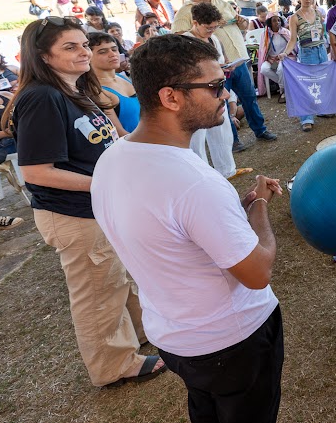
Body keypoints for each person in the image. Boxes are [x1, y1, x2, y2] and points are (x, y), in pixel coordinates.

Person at [91, 34, 284, 423]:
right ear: (171, 97)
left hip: (176, 338)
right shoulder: (191, 181)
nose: (225, 94)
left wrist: (236, 205)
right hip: (230, 341)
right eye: (214, 86)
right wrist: (260, 205)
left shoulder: (113, 159)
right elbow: (257, 272)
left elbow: (167, 230)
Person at [8, 16, 164, 388]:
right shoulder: (41, 97)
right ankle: (114, 365)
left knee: (118, 278)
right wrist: (104, 183)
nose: (82, 52)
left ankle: (139, 337)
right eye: (69, 47)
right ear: (43, 56)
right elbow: (36, 171)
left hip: (97, 207)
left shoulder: (73, 89)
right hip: (73, 214)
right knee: (97, 291)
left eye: (83, 45)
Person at [173, 0, 277, 151]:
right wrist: (200, 29)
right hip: (214, 68)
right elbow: (178, 38)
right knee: (220, 103)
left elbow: (244, 25)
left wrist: (238, 19)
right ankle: (233, 141)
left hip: (238, 60)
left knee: (249, 97)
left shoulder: (221, 3)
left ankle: (260, 130)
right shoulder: (186, 12)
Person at [182, 4, 243, 177]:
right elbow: (186, 71)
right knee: (198, 138)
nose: (212, 30)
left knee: (222, 131)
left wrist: (226, 66)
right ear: (195, 23)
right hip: (197, 95)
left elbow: (222, 58)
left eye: (215, 27)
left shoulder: (214, 39)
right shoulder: (185, 42)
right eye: (208, 27)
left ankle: (227, 170)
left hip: (217, 90)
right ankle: (202, 175)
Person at [282, 0, 330, 132]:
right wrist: (285, 53)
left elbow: (323, 34)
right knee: (306, 86)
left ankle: (321, 110)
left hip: (321, 51)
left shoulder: (318, 13)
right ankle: (306, 118)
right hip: (307, 53)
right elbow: (292, 40)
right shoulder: (294, 17)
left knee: (321, 82)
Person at [88, 32, 140, 133]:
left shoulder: (123, 77)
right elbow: (118, 133)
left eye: (114, 49)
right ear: (88, 56)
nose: (112, 54)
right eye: (103, 52)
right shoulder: (96, 90)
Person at [257, 13, 291, 102]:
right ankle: (286, 87)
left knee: (280, 69)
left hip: (285, 58)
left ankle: (282, 90)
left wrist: (283, 55)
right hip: (271, 59)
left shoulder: (286, 32)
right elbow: (262, 50)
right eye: (274, 20)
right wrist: (270, 58)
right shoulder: (265, 35)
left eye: (279, 20)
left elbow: (293, 47)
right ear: (269, 23)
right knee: (263, 69)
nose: (277, 23)